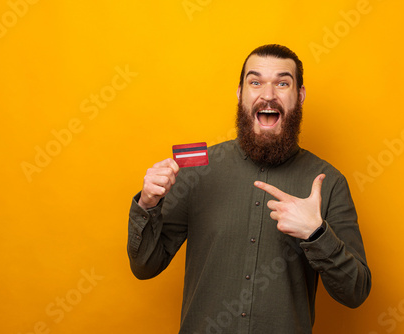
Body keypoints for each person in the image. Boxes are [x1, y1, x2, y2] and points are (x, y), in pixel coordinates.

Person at [127, 44, 371, 333]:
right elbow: (144, 266)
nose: (268, 95)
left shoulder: (328, 183)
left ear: (300, 96)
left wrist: (316, 233)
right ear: (240, 94)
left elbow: (355, 292)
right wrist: (148, 203)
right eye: (255, 82)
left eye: (282, 83)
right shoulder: (196, 171)